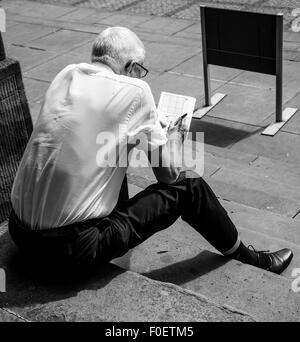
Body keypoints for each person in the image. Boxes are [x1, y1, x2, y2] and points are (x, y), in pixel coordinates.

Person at [8, 27, 293, 278]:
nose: (141, 76)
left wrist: (137, 137)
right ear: (132, 67)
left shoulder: (66, 75)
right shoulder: (136, 89)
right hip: (69, 253)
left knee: (108, 148)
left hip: (20, 234)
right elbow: (169, 177)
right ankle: (249, 257)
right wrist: (171, 140)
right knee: (188, 187)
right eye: (141, 69)